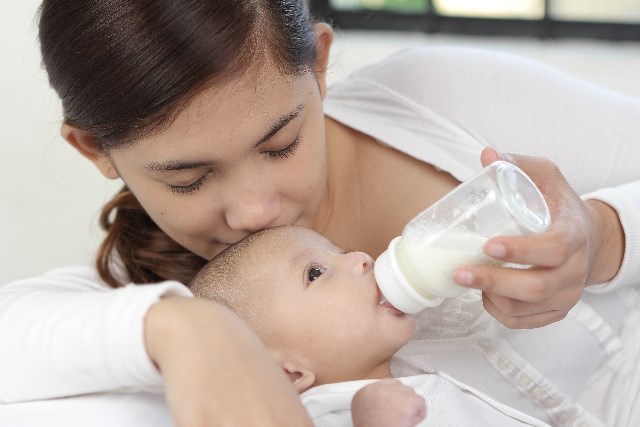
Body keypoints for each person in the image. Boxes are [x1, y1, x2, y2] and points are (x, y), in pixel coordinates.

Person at [1, 0, 640, 425]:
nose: (256, 211)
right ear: (94, 149)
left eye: (280, 144)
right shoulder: (163, 290)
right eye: (190, 180)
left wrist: (604, 234)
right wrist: (187, 330)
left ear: (320, 63)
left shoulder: (432, 101)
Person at [189, 224, 550, 427]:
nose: (360, 258)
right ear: (289, 375)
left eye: (341, 250)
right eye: (315, 272)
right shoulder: (324, 415)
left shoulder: (408, 369)